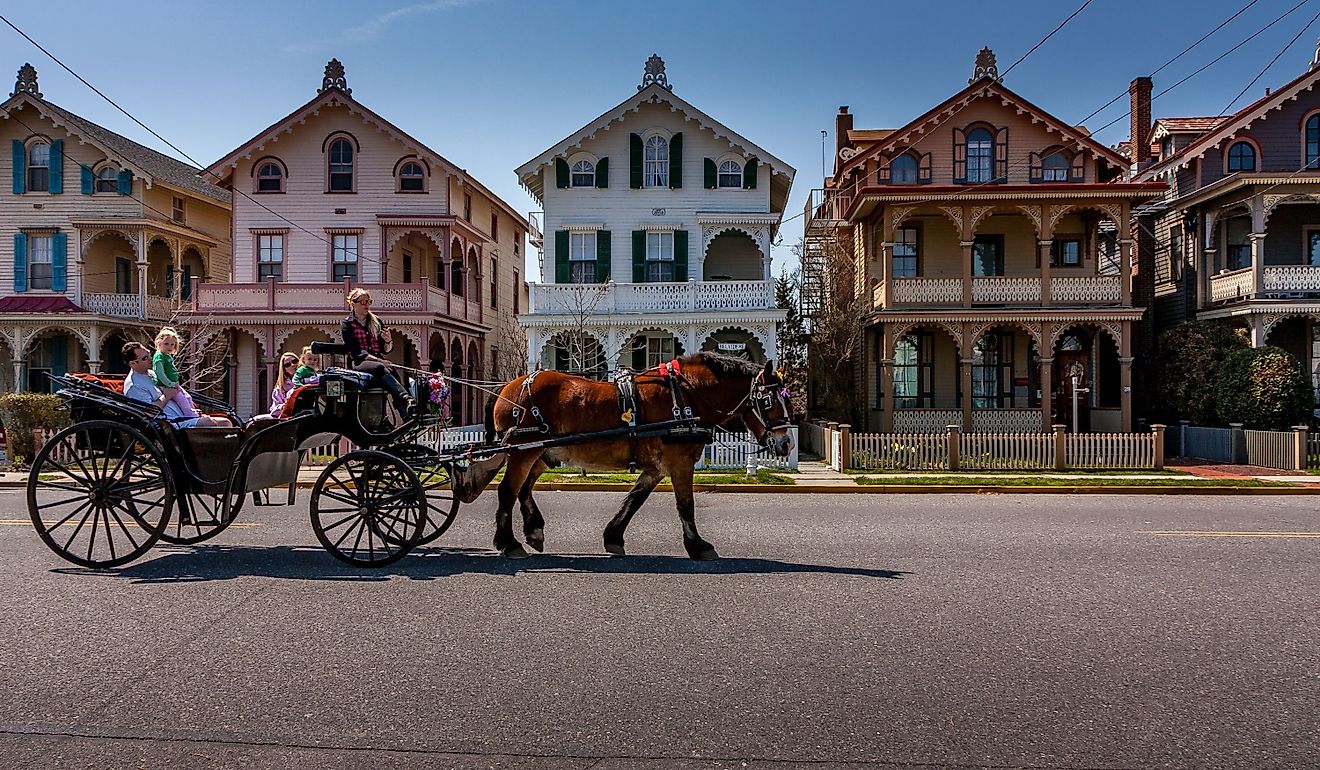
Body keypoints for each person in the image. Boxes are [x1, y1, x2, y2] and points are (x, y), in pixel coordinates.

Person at [122, 342, 232, 428]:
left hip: (183, 417)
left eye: (149, 354)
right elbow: (148, 414)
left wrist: (190, 409)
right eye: (145, 358)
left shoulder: (152, 373)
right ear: (133, 363)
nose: (150, 358)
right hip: (170, 425)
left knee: (226, 422)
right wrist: (166, 397)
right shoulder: (134, 385)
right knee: (210, 423)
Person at [341, 287, 413, 414]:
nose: (366, 305)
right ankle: (405, 397)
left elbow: (385, 350)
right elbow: (357, 352)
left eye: (369, 302)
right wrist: (380, 361)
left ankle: (405, 411)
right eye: (363, 302)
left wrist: (388, 341)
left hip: (377, 359)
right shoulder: (347, 325)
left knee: (392, 370)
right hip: (359, 362)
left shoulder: (376, 322)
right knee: (380, 367)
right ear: (353, 303)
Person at [152, 327, 200, 420]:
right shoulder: (159, 356)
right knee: (182, 401)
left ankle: (193, 411)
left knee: (188, 397)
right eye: (166, 344)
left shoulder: (168, 356)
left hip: (174, 384)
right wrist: (169, 384)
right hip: (166, 385)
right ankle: (190, 416)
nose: (169, 347)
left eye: (172, 345)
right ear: (159, 343)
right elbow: (160, 373)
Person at [269, 352, 300, 418]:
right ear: (284, 369)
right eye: (287, 364)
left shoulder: (311, 378)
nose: (292, 365)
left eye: (295, 361)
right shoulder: (280, 388)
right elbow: (274, 410)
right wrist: (285, 406)